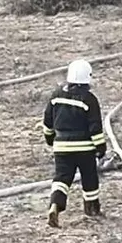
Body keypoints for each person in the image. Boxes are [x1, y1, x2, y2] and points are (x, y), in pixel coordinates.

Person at [41, 59, 105, 228]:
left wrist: (50, 139)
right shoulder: (89, 99)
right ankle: (91, 209)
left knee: (62, 179)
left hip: (61, 147)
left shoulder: (55, 96)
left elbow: (48, 122)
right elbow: (95, 128)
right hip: (85, 148)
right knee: (89, 177)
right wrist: (101, 148)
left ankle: (55, 204)